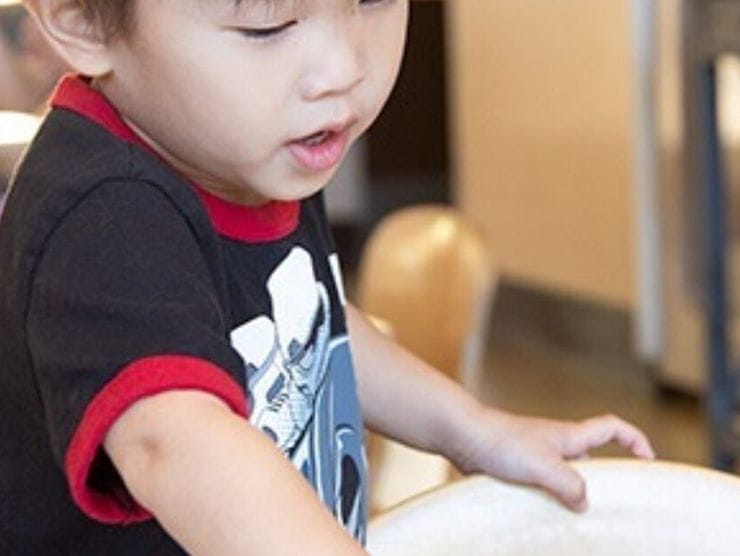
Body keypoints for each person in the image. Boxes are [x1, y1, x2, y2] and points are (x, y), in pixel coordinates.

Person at [0, 1, 654, 554]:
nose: (343, 69)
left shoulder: (245, 147)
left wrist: (474, 429)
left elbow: (318, 326)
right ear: (83, 21)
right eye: (267, 24)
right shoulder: (105, 216)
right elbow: (172, 441)